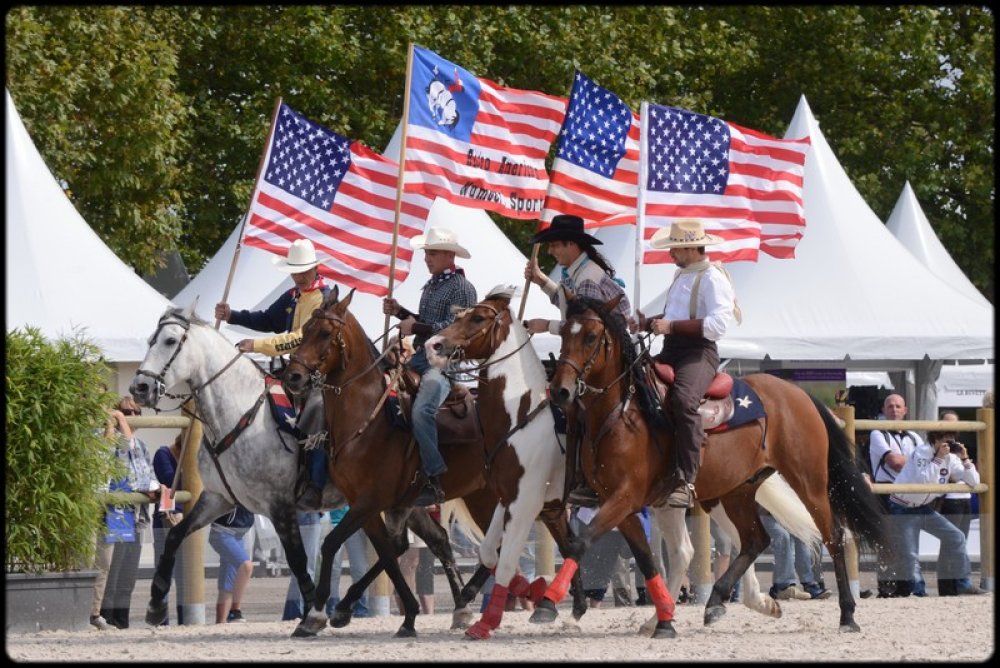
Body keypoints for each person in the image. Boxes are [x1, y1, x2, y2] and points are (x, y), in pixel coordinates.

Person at [215, 238, 333, 510]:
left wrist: (255, 345)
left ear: (315, 269)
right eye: (294, 270)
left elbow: (300, 339)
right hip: (294, 372)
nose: (298, 275)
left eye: (303, 270)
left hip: (319, 374)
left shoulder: (323, 300)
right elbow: (268, 319)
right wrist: (233, 316)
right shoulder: (294, 296)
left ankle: (316, 484)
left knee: (315, 413)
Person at [522, 214, 632, 503]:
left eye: (555, 245)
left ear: (571, 245)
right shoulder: (579, 273)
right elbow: (565, 301)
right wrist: (541, 281)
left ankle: (584, 475)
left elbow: (582, 329)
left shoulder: (588, 278)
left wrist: (543, 325)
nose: (550, 251)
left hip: (603, 358)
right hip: (594, 354)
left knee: (575, 409)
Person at [637, 219, 738, 509]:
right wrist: (646, 323)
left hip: (699, 353)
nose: (671, 254)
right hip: (673, 349)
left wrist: (670, 327)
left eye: (676, 249)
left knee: (683, 400)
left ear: (692, 248)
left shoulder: (712, 277)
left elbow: (718, 325)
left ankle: (686, 478)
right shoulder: (683, 275)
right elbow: (674, 316)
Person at [382, 226, 477, 506]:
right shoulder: (433, 284)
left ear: (450, 255)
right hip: (419, 359)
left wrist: (417, 325)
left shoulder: (462, 288)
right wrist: (400, 312)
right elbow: (423, 324)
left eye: (433, 253)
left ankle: (434, 475)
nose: (427, 258)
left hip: (445, 363)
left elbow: (456, 330)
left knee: (423, 410)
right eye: (426, 253)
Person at [888, 426, 985, 597]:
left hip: (923, 507)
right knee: (911, 554)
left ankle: (963, 582)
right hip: (902, 506)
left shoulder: (951, 457)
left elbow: (973, 482)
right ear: (935, 439)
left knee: (956, 536)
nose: (950, 444)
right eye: (946, 440)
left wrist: (965, 459)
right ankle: (917, 592)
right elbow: (923, 481)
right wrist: (939, 458)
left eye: (952, 440)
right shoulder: (922, 452)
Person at [99, 396, 159, 629]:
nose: (131, 417)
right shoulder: (111, 440)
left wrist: (155, 488)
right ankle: (107, 618)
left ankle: (122, 621)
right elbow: (128, 455)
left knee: (128, 573)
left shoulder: (142, 445)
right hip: (117, 509)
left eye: (135, 412)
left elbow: (147, 477)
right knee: (113, 571)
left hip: (136, 513)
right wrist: (118, 422)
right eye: (125, 412)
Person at [867, 393, 923, 597]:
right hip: (885, 491)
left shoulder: (915, 436)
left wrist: (912, 461)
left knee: (907, 541)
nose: (894, 410)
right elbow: (895, 463)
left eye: (898, 406)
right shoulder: (877, 434)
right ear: (883, 410)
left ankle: (907, 587)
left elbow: (917, 463)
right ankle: (887, 588)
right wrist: (915, 461)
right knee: (887, 541)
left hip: (908, 492)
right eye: (890, 406)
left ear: (905, 410)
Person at [936, 410, 979, 596]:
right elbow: (950, 476)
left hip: (964, 500)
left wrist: (964, 457)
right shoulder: (936, 449)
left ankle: (957, 585)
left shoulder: (959, 452)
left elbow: (973, 480)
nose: (951, 433)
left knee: (960, 544)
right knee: (950, 545)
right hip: (948, 501)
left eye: (954, 427)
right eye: (947, 426)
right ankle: (949, 588)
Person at [760, 506, 831, 601]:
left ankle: (809, 583)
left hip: (787, 515)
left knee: (802, 535)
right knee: (783, 536)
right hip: (766, 514)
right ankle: (785, 585)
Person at [152, 433, 186, 625]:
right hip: (168, 519)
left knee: (184, 574)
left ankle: (185, 618)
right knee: (165, 570)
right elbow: (170, 480)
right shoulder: (163, 454)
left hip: (185, 519)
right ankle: (161, 620)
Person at [208, 505, 256, 623]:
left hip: (238, 535)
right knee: (246, 566)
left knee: (227, 586)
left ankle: (221, 623)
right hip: (222, 532)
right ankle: (235, 610)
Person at [324, 506, 371, 618]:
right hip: (332, 523)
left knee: (359, 568)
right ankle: (332, 605)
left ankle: (360, 606)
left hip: (354, 523)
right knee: (333, 569)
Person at [281, 510, 323, 620]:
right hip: (308, 517)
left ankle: (294, 609)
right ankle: (298, 609)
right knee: (307, 568)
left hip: (293, 518)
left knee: (300, 567)